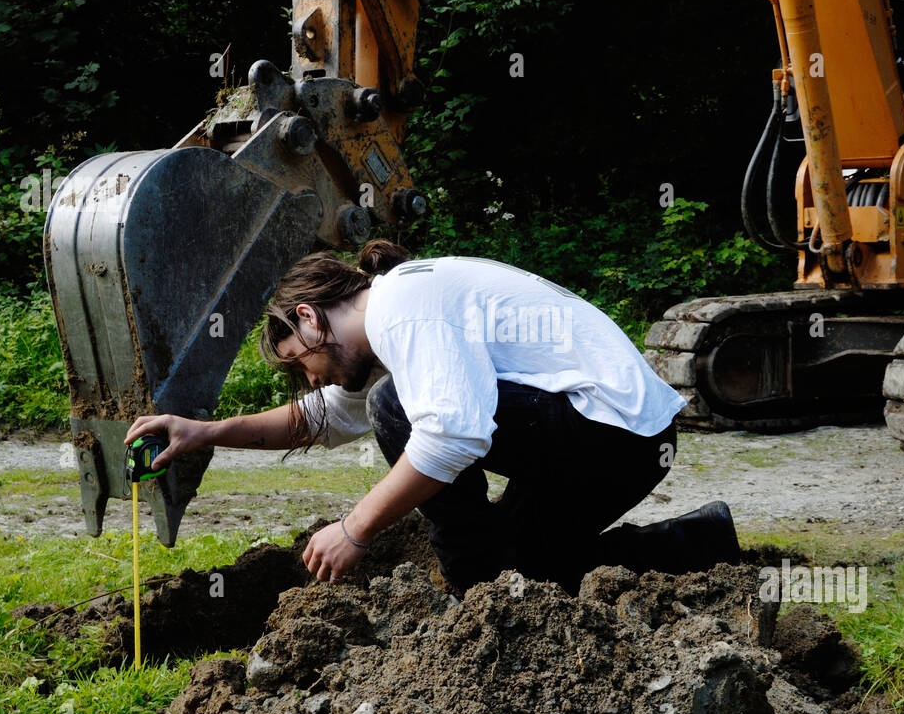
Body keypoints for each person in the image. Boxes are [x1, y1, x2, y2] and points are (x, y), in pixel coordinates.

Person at [125, 240, 739, 596]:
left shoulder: (403, 305)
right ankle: (702, 540)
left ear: (310, 318)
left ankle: (471, 593)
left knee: (394, 408)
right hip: (617, 438)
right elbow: (321, 418)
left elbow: (453, 433)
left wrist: (355, 529)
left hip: (612, 430)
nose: (308, 377)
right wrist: (205, 433)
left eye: (299, 361)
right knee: (531, 571)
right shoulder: (396, 317)